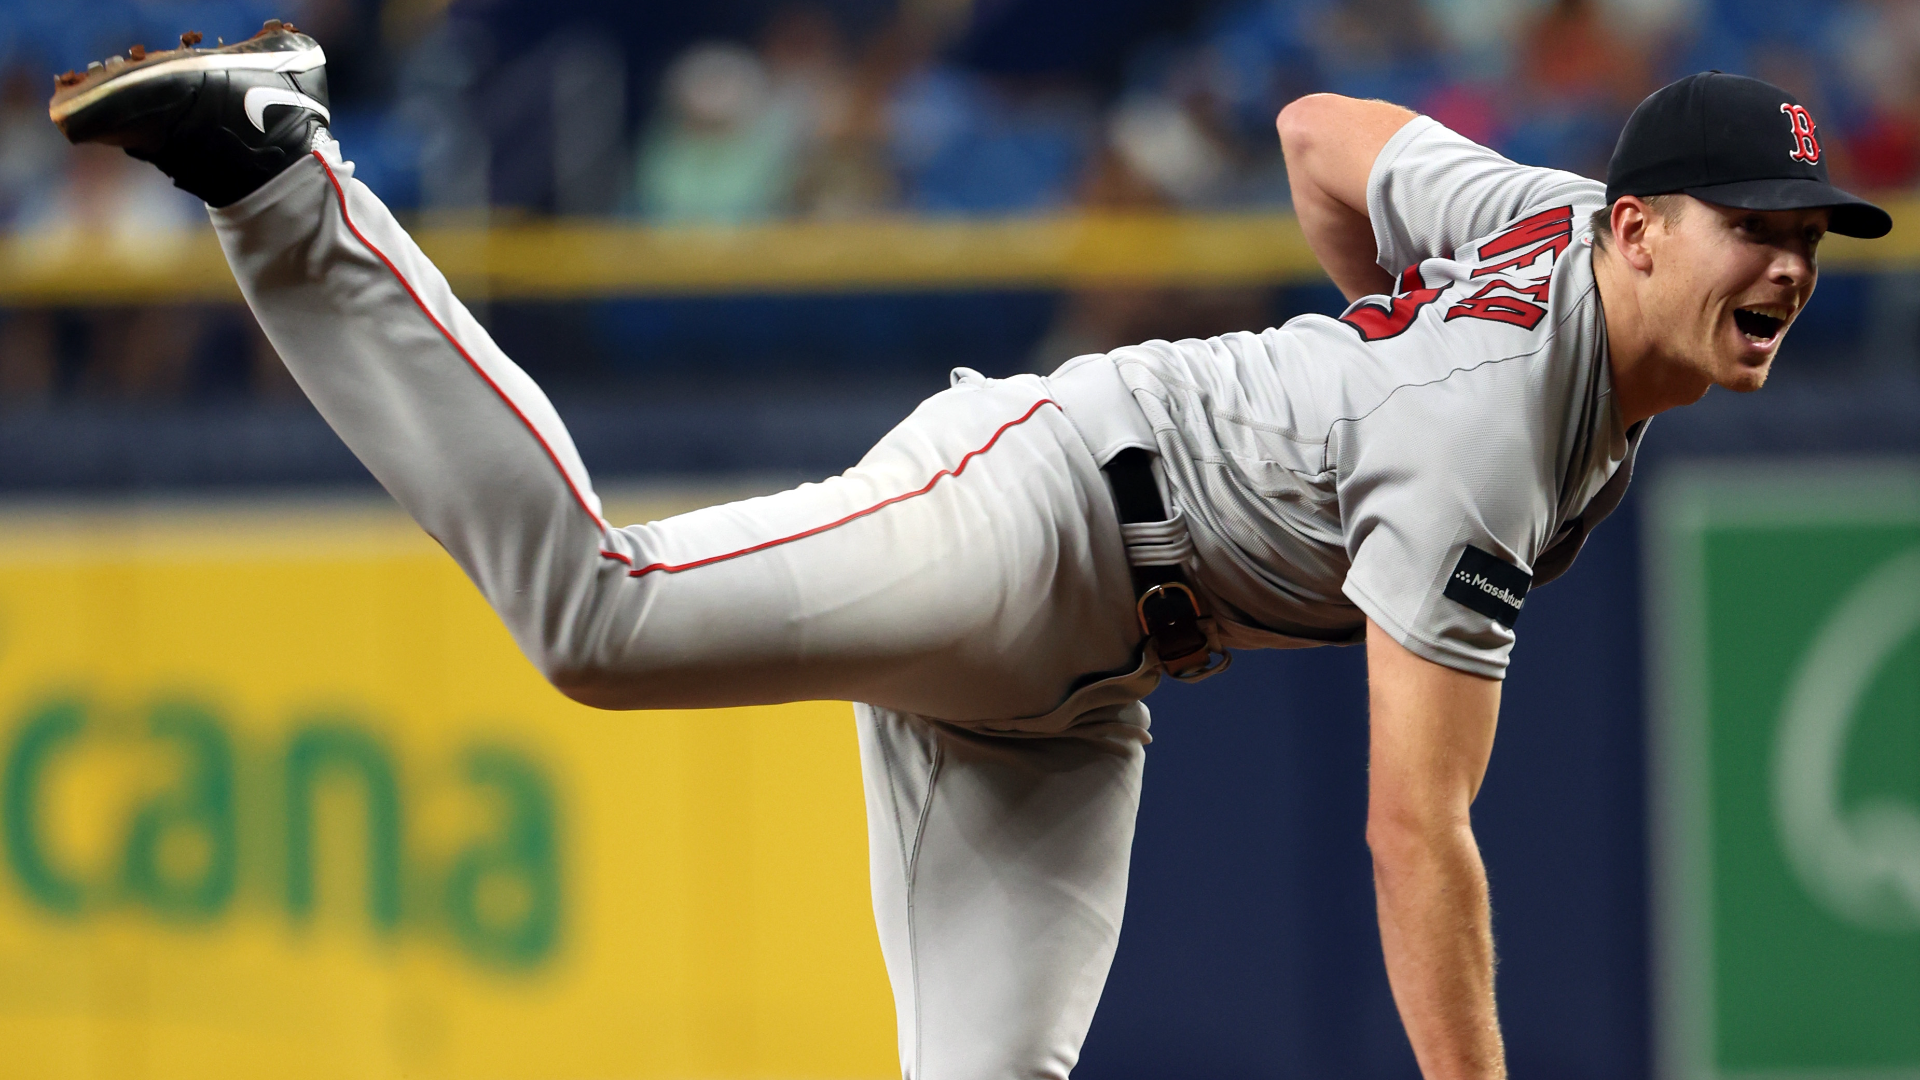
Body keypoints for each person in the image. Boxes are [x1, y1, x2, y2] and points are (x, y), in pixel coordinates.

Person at [51, 22, 1890, 1079]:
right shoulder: (1492, 431)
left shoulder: (1548, 226)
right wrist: (1405, 381)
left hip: (1083, 691)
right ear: (1642, 229)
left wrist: (1378, 331)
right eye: (1758, 226)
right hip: (1040, 506)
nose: (1793, 264)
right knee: (598, 620)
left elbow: (1317, 132)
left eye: (1815, 230)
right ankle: (286, 167)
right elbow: (1418, 834)